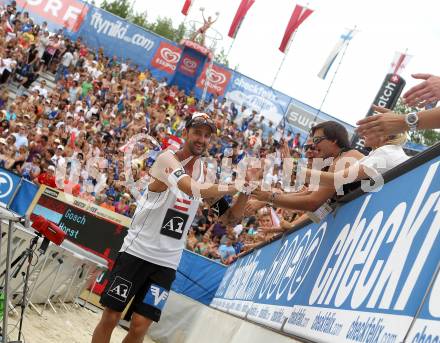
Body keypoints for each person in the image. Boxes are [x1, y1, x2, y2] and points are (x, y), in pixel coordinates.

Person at [91, 113, 256, 343]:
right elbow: (189, 188)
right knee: (111, 315)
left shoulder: (205, 174)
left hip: (167, 261)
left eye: (207, 135)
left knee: (139, 327)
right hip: (137, 250)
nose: (202, 139)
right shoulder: (167, 158)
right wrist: (233, 185)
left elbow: (229, 219)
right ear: (185, 133)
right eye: (197, 132)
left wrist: (246, 189)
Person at [252, 121, 365, 212]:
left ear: (334, 140)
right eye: (308, 147)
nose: (314, 145)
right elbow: (307, 194)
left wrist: (269, 198)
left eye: (317, 140)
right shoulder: (334, 161)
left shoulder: (347, 158)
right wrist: (269, 198)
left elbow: (313, 202)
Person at [356, 105, 440, 146]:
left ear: (386, 136)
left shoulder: (385, 153)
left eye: (372, 129)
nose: (364, 135)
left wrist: (402, 121)